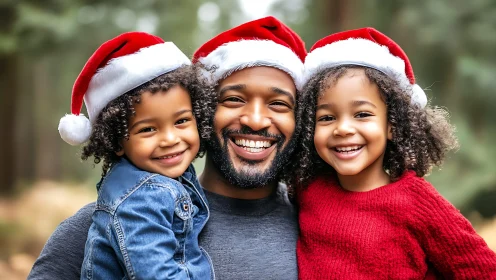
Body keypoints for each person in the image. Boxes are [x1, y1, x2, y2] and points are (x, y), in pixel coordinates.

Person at [28, 16, 307, 279]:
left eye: (279, 104)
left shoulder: (318, 227)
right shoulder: (113, 221)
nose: (255, 120)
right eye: (234, 99)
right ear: (203, 110)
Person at [292, 27, 496, 279]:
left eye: (362, 114)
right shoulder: (307, 189)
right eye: (326, 117)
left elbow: (483, 270)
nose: (343, 128)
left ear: (392, 125)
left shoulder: (418, 203)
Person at [57, 32, 214, 279]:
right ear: (117, 141)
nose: (170, 139)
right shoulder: (141, 200)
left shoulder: (157, 184)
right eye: (148, 129)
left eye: (182, 121)